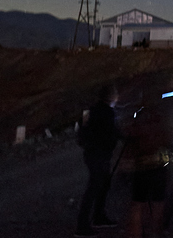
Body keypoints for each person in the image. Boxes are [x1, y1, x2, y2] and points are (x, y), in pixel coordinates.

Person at [124, 90, 173, 238]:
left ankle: (136, 233)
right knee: (158, 203)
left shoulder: (138, 117)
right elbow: (168, 138)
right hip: (158, 165)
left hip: (141, 165)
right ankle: (155, 232)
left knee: (137, 203)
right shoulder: (161, 118)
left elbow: (130, 138)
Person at [76, 84, 121, 237]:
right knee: (94, 187)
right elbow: (110, 132)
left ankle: (98, 216)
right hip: (99, 154)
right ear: (111, 96)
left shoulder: (93, 111)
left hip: (93, 153)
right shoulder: (107, 112)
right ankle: (82, 226)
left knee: (102, 185)